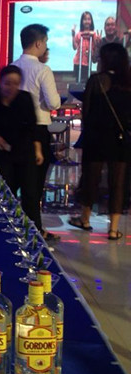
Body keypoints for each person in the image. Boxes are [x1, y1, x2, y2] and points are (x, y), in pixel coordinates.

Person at [68, 42, 131, 240]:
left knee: (91, 179)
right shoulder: (128, 82)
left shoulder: (96, 80)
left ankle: (85, 219)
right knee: (118, 182)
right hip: (120, 139)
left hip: (96, 137)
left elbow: (86, 112)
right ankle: (113, 229)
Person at [0, 65, 43, 226]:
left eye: (15, 84)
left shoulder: (25, 98)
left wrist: (38, 150)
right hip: (2, 154)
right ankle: (6, 228)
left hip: (25, 152)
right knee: (5, 192)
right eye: (7, 83)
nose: (11, 88)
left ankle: (34, 232)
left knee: (30, 194)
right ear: (0, 83)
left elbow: (33, 126)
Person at [12, 23, 61, 242]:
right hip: (37, 131)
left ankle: (13, 224)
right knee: (34, 184)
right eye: (46, 42)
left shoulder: (12, 67)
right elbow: (53, 103)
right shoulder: (43, 70)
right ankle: (34, 230)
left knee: (14, 181)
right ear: (39, 43)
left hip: (14, 132)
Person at [72, 11, 101, 82]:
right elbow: (74, 47)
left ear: (91, 21)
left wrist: (97, 39)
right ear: (82, 21)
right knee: (78, 82)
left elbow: (96, 46)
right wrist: (73, 35)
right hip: (78, 62)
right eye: (85, 19)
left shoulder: (94, 34)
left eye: (89, 19)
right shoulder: (79, 34)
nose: (87, 21)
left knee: (86, 81)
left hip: (87, 63)